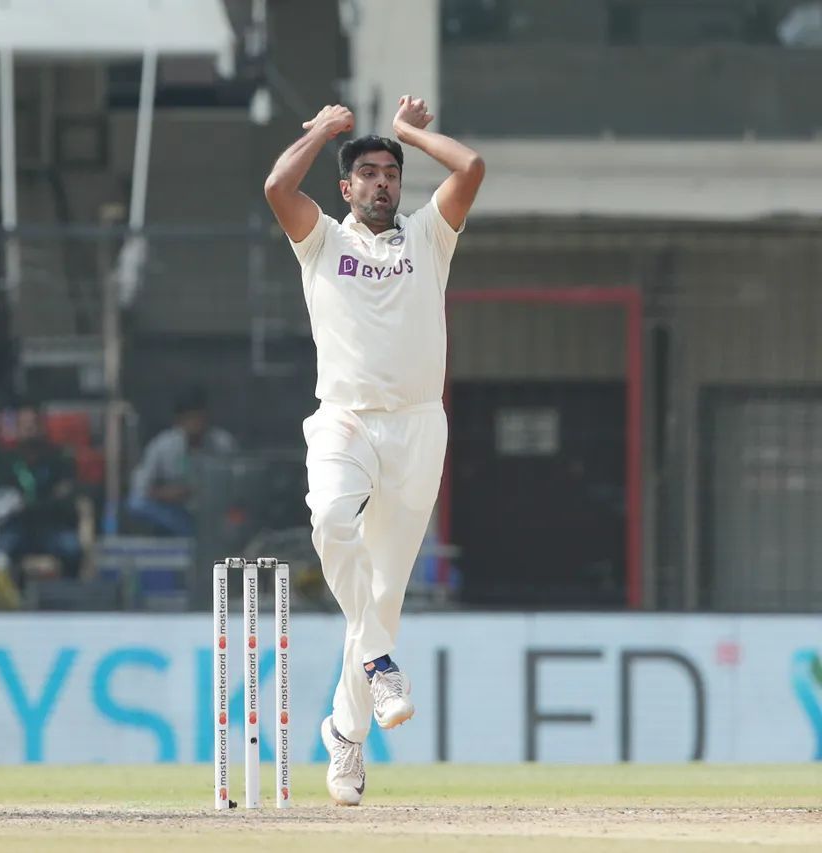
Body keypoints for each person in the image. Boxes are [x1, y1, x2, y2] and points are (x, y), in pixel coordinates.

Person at [263, 97, 484, 805]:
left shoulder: (429, 237)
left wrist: (411, 133)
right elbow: (276, 189)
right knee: (329, 518)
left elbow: (473, 167)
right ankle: (380, 661)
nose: (382, 181)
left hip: (419, 425)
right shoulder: (321, 240)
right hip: (346, 419)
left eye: (391, 171)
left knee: (382, 597)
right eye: (368, 172)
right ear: (346, 187)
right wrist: (328, 129)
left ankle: (344, 736)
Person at [0, 401, 82, 582]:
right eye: (25, 425)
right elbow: (3, 496)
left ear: (41, 427)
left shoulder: (58, 457)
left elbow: (65, 497)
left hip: (51, 526)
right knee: (0, 554)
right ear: (17, 428)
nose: (30, 429)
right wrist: (43, 500)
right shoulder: (6, 460)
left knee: (72, 549)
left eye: (34, 424)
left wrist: (30, 504)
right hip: (18, 526)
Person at [126, 388, 236, 537]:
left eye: (199, 418)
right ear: (179, 421)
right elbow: (140, 487)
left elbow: (236, 483)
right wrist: (164, 493)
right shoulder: (163, 445)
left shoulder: (222, 443)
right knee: (136, 504)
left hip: (212, 510)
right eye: (190, 419)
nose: (195, 424)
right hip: (177, 512)